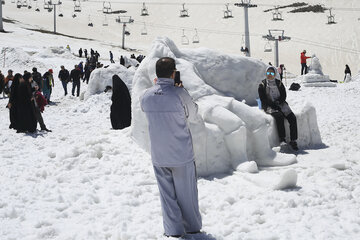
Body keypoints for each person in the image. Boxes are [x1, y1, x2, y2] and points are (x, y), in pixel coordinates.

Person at [140, 57, 202, 238]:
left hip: (159, 154)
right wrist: (180, 90)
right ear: (173, 73)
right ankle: (192, 227)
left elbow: (146, 110)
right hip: (181, 153)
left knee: (167, 196)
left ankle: (173, 231)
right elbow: (193, 114)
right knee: (187, 194)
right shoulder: (179, 94)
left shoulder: (146, 95)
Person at [258, 66, 299, 151]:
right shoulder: (262, 85)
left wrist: (279, 102)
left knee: (292, 117)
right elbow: (263, 99)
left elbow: (283, 95)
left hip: (281, 104)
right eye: (268, 73)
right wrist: (272, 104)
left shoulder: (279, 83)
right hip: (270, 106)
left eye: (272, 73)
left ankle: (293, 140)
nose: (270, 75)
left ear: (275, 74)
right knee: (279, 116)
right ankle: (282, 139)